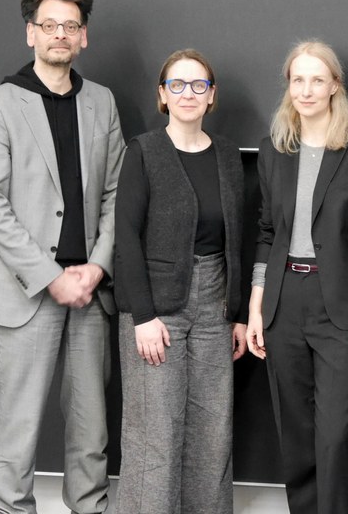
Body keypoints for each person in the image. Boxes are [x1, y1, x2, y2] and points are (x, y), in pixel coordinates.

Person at [0, 0, 124, 514]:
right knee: (18, 426)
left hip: (90, 292)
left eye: (71, 25)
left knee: (91, 426)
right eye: (49, 24)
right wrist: (51, 276)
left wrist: (96, 267)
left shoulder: (101, 101)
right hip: (25, 293)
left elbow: (116, 195)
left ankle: (90, 506)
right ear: (31, 33)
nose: (61, 34)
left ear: (83, 37)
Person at [245, 40, 348, 513]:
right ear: (288, 86)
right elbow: (266, 232)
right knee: (296, 432)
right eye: (297, 79)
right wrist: (256, 308)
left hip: (344, 307)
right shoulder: (274, 149)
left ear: (334, 86)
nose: (306, 90)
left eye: (316, 79)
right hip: (284, 301)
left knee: (334, 434)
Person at [113, 49, 247, 513]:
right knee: (157, 429)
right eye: (177, 84)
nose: (187, 94)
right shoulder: (143, 151)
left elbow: (238, 237)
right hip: (157, 308)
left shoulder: (228, 155)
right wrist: (142, 316)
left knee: (213, 428)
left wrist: (237, 312)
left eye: (198, 85)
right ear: (161, 95)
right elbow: (125, 237)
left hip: (215, 303)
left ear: (212, 96)